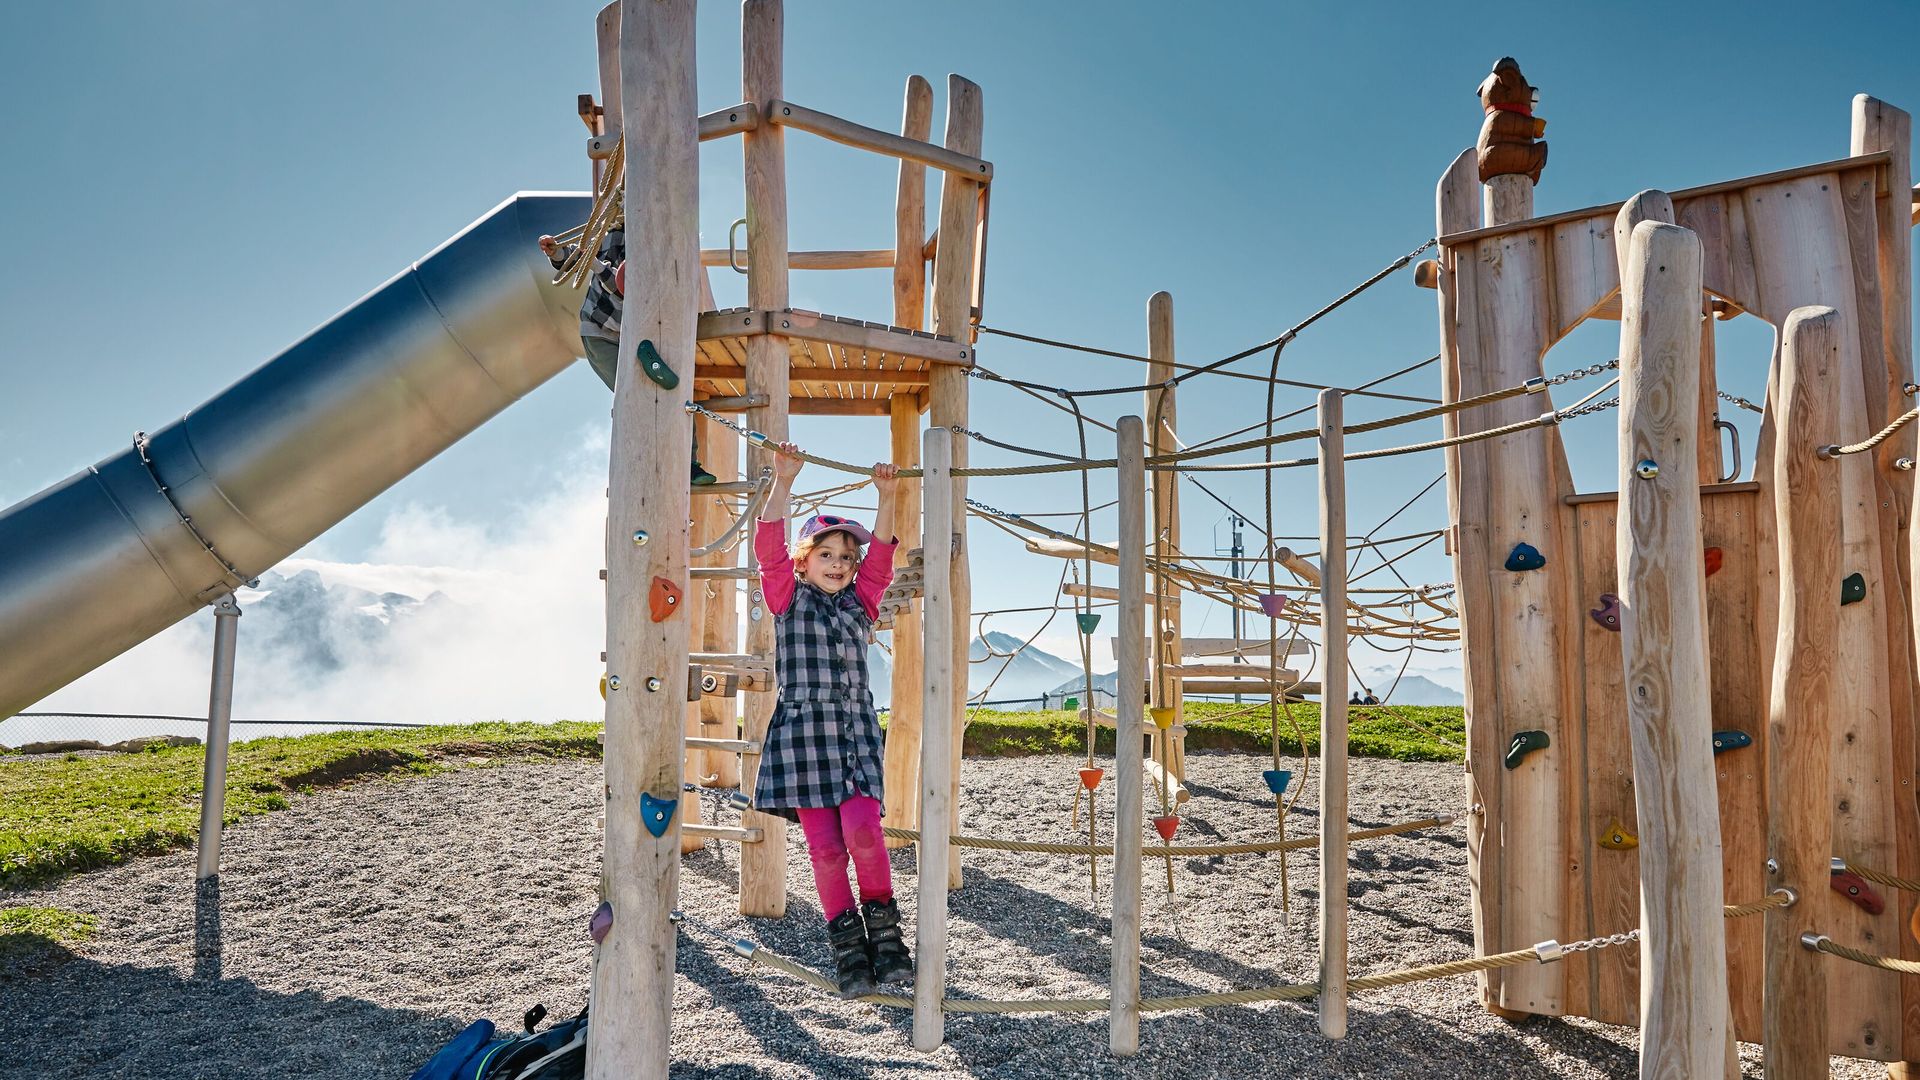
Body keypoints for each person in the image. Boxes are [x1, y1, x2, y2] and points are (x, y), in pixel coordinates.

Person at [751, 441, 908, 998]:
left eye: (846, 556)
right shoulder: (786, 598)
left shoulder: (859, 604)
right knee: (823, 848)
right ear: (805, 560)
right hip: (803, 736)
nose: (839, 564)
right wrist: (784, 482)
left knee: (865, 832)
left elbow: (884, 557)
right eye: (827, 554)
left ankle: (886, 939)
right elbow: (768, 549)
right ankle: (848, 948)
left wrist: (887, 496)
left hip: (855, 732)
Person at [539, 226, 714, 485]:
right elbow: (616, 281)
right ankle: (645, 466)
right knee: (635, 395)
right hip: (603, 332)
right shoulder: (616, 234)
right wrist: (557, 253)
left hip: (638, 333)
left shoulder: (673, 252)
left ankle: (689, 464)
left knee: (674, 393)